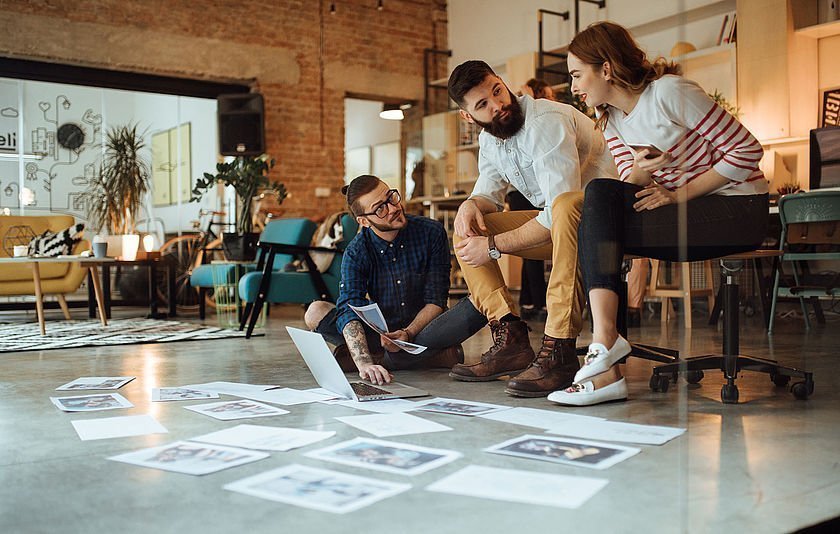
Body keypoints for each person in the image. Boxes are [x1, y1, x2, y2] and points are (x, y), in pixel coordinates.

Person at [548, 21, 768, 406]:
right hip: (693, 214)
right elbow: (628, 186)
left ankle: (605, 353)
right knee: (599, 203)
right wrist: (643, 169)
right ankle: (607, 351)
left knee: (601, 217)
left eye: (577, 75)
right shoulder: (612, 119)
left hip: (740, 208)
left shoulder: (669, 93)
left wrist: (677, 194)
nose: (574, 86)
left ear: (607, 69)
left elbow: (747, 150)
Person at [445, 60, 618, 398]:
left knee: (567, 207)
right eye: (482, 105)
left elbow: (558, 213)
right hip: (568, 225)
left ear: (502, 82)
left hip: (611, 224)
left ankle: (560, 348)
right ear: (469, 117)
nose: (498, 104)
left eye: (497, 90)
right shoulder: (491, 141)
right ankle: (510, 337)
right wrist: (469, 205)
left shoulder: (544, 121)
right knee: (466, 230)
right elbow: (486, 194)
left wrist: (493, 246)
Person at [304, 175, 487, 386]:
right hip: (381, 334)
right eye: (380, 208)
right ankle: (428, 357)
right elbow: (349, 306)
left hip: (425, 329)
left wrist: (408, 332)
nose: (393, 208)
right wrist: (364, 363)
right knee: (315, 311)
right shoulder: (356, 251)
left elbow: (436, 300)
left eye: (391, 197)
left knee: (479, 305)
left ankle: (386, 358)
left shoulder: (431, 232)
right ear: (364, 221)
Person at [509, 77, 558, 324]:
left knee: (531, 247)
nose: (552, 100)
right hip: (520, 191)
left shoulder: (548, 119)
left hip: (533, 189)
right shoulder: (525, 119)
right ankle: (538, 302)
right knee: (530, 245)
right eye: (547, 95)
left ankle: (529, 301)